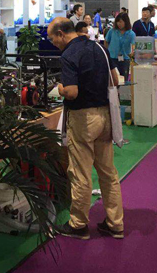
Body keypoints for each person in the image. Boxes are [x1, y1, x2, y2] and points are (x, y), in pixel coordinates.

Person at [47, 18, 124, 240]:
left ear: (61, 34)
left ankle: (79, 224)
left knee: (80, 172)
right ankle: (115, 223)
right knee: (108, 172)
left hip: (83, 118)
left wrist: (59, 88)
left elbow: (71, 92)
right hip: (105, 115)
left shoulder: (69, 55)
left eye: (53, 39)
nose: (54, 44)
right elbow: (115, 79)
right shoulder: (99, 48)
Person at [105, 12, 135, 80]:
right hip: (112, 58)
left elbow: (133, 46)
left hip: (125, 59)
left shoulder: (131, 33)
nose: (119, 24)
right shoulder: (112, 31)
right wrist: (107, 52)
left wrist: (133, 53)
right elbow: (106, 41)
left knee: (124, 78)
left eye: (121, 22)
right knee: (112, 78)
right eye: (117, 22)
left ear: (126, 22)